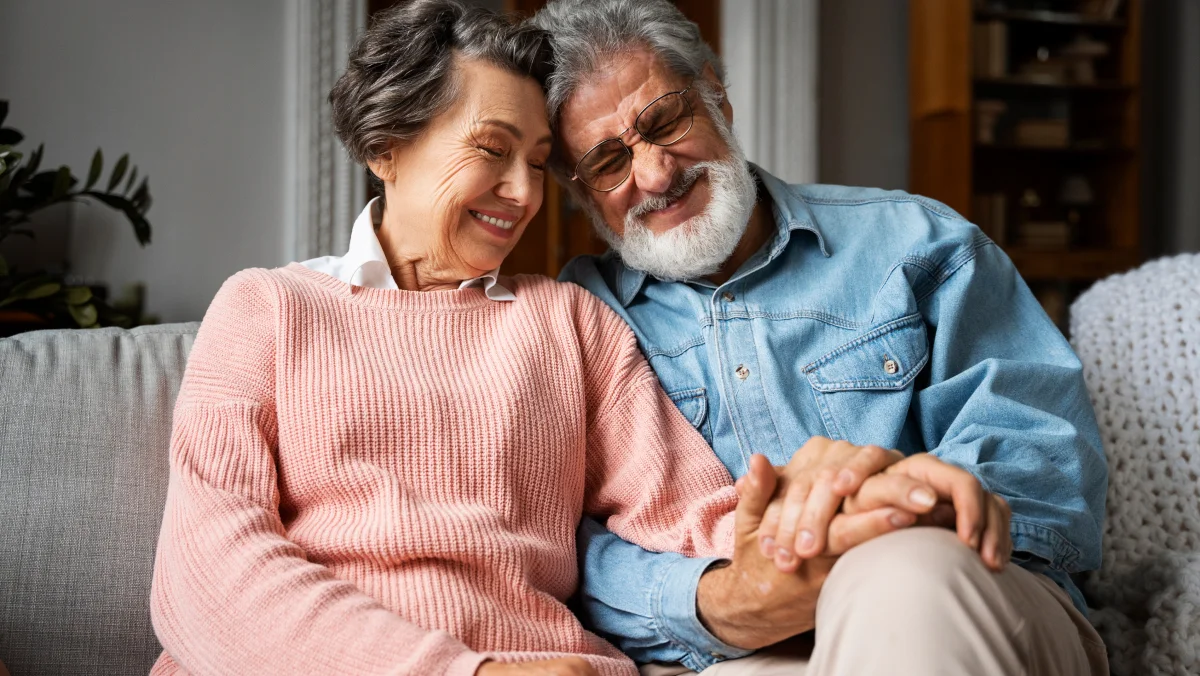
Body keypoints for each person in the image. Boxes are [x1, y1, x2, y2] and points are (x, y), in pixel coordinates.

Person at [147, 2, 929, 675]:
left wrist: (832, 525)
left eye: (540, 162)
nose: (523, 195)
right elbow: (206, 571)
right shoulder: (268, 309)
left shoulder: (568, 319)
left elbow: (693, 514)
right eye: (492, 151)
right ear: (384, 145)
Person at [533, 1, 1111, 674]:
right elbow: (557, 547)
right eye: (608, 161)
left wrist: (891, 504)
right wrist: (723, 602)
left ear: (716, 97)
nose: (657, 174)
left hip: (961, 598)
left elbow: (1049, 469)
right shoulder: (575, 319)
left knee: (902, 580)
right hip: (730, 650)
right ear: (580, 190)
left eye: (665, 120)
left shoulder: (918, 243)